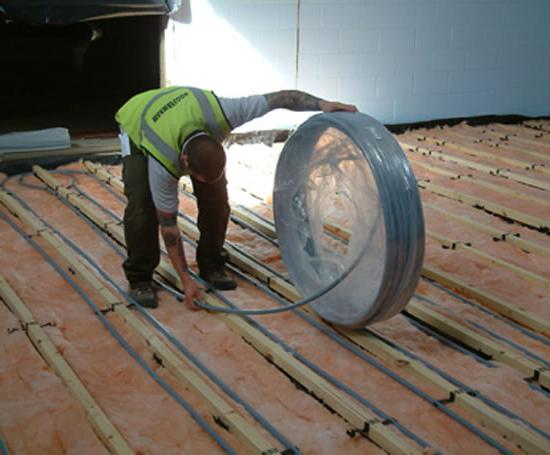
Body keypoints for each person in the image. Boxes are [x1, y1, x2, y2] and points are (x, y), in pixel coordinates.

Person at [115, 86, 357, 310]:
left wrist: (324, 103)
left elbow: (282, 98)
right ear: (185, 163)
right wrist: (186, 281)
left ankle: (212, 264)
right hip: (137, 120)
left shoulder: (225, 113)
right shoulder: (163, 158)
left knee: (217, 200)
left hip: (181, 110)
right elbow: (168, 225)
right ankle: (139, 277)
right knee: (142, 207)